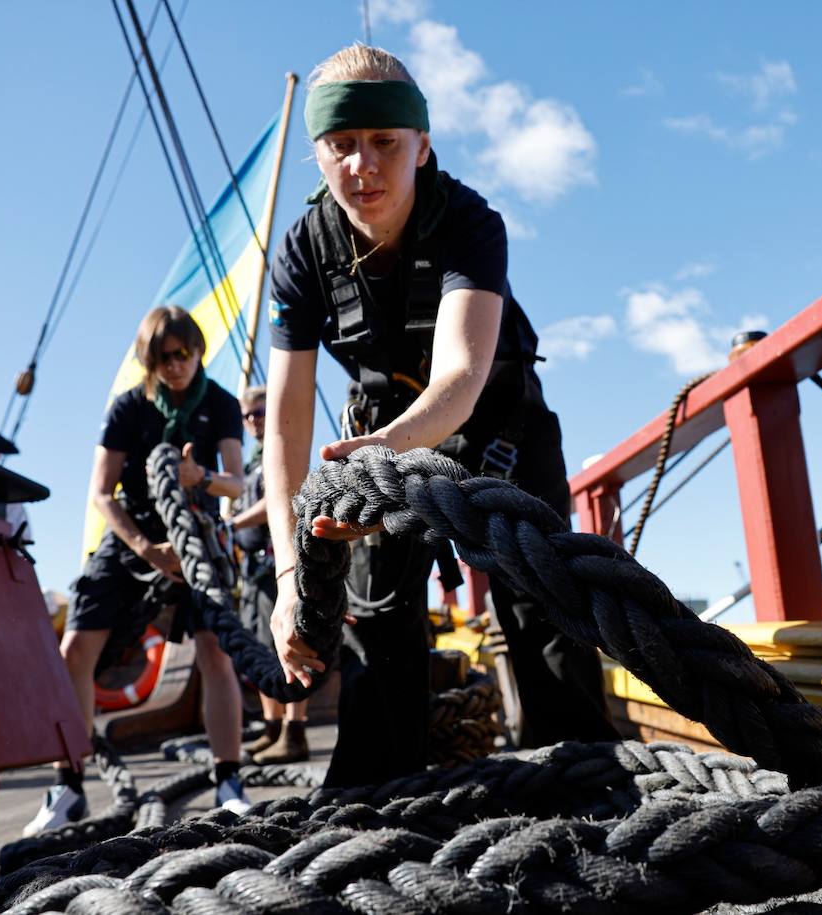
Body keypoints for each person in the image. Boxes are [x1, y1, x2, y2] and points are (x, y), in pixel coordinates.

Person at [263, 45, 618, 789]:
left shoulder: (470, 222)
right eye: (341, 146)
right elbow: (287, 425)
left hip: (498, 433)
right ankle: (375, 808)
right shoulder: (301, 253)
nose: (363, 166)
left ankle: (586, 786)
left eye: (384, 143)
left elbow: (461, 372)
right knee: (378, 620)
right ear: (317, 156)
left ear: (421, 145)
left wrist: (377, 459)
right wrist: (292, 574)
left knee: (542, 609)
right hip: (381, 442)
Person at [23, 306, 251, 835]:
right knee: (74, 651)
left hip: (195, 529)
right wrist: (147, 549)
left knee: (216, 653)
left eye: (183, 355)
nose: (174, 366)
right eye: (162, 358)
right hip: (134, 533)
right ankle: (68, 787)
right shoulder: (129, 407)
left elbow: (238, 483)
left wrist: (201, 477)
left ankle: (230, 780)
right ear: (149, 362)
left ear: (197, 351)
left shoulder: (218, 403)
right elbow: (102, 493)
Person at [227, 385, 310, 763]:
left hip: (277, 562)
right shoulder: (248, 466)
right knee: (260, 649)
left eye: (260, 413)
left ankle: (294, 732)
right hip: (253, 568)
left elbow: (278, 498)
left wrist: (232, 524)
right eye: (248, 416)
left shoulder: (279, 456)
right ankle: (272, 728)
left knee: (287, 644)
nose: (253, 421)